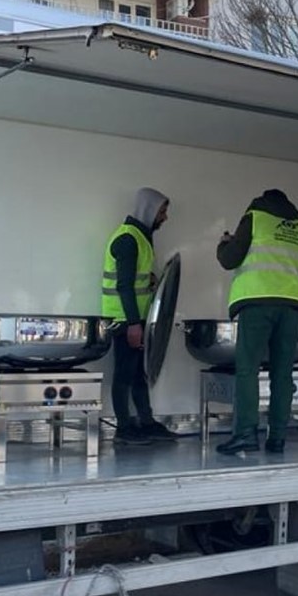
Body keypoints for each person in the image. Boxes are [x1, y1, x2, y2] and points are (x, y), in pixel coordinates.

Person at [214, 188, 298, 455]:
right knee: (283, 373)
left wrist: (224, 243)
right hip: (292, 305)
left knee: (248, 369)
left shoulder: (255, 217)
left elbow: (229, 259)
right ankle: (277, 438)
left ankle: (246, 433)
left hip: (257, 301)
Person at [101, 187, 175, 446]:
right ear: (150, 210)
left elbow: (135, 279)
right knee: (124, 373)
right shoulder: (128, 239)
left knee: (138, 374)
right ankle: (124, 428)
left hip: (136, 318)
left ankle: (146, 422)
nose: (164, 218)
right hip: (124, 319)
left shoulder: (141, 237)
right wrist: (133, 324)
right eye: (162, 212)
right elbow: (123, 285)